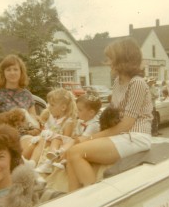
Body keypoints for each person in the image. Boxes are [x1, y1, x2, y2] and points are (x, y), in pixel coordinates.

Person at [66, 37, 153, 191]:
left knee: (75, 152)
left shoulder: (137, 83)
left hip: (136, 136)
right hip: (122, 136)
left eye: (110, 58)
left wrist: (88, 138)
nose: (108, 62)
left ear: (122, 59)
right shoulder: (118, 82)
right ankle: (73, 198)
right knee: (70, 154)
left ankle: (95, 200)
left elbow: (126, 125)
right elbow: (112, 118)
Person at [29, 88, 77, 174]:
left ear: (63, 107)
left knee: (42, 143)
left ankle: (45, 163)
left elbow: (65, 140)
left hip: (57, 147)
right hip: (47, 142)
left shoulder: (68, 122)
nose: (48, 107)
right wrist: (40, 136)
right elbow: (44, 130)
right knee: (34, 143)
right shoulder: (51, 117)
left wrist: (51, 136)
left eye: (52, 105)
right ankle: (30, 163)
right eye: (48, 104)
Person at [0, 54, 37, 126]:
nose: (12, 73)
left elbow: (34, 122)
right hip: (4, 135)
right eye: (8, 70)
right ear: (3, 73)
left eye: (15, 69)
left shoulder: (27, 95)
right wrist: (1, 129)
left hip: (26, 135)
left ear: (21, 72)